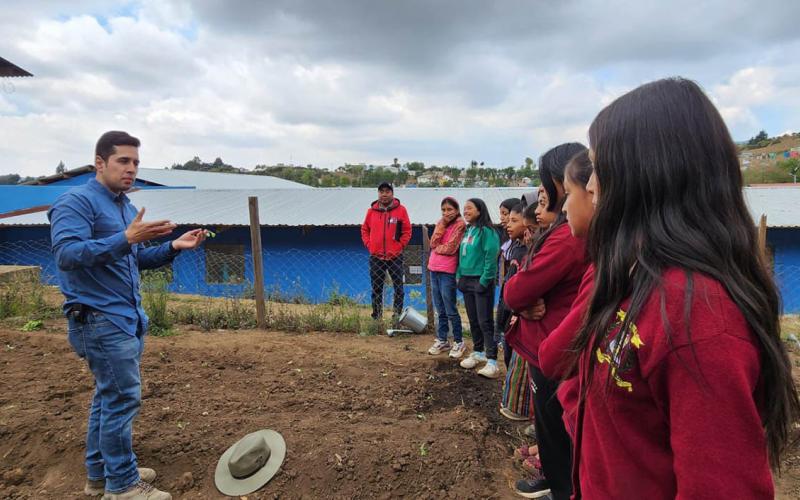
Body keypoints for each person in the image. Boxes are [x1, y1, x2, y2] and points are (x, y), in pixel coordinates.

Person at [570, 77, 800, 499]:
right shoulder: (639, 277)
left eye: (599, 167)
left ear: (647, 173)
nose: (589, 186)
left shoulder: (698, 317)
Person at [48, 131, 207, 500]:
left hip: (125, 318)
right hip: (99, 318)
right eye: (123, 160)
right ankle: (122, 485)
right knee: (122, 399)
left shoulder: (124, 206)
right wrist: (126, 239)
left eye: (135, 162)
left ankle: (100, 475)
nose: (131, 168)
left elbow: (133, 259)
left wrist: (173, 246)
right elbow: (67, 255)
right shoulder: (76, 202)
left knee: (109, 397)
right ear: (99, 163)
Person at [504, 142, 589, 500]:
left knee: (557, 426)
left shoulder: (567, 238)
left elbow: (515, 291)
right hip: (554, 343)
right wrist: (524, 301)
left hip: (553, 346)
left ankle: (560, 487)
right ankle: (556, 481)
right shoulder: (565, 232)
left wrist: (520, 298)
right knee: (554, 424)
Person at [456, 198, 501, 378]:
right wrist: (459, 276)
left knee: (485, 321)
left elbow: (491, 255)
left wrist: (485, 280)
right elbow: (462, 255)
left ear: (479, 210)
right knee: (473, 320)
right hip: (466, 280)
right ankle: (478, 352)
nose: (465, 211)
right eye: (464, 208)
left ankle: (492, 360)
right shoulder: (468, 230)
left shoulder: (487, 231)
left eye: (469, 208)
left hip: (481, 280)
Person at [360, 182, 411, 321]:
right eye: (381, 191)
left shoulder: (401, 210)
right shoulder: (371, 211)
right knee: (376, 288)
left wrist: (400, 246)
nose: (384, 194)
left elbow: (407, 231)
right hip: (376, 257)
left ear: (392, 193)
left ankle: (396, 317)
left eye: (387, 191)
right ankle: (377, 318)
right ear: (378, 193)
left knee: (399, 288)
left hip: (395, 256)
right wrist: (370, 245)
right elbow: (364, 230)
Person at [427, 197, 467, 358]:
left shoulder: (460, 225)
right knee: (440, 308)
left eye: (449, 209)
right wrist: (442, 225)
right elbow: (432, 243)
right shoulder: (441, 223)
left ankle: (459, 341)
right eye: (443, 210)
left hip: (447, 271)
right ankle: (442, 340)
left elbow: (451, 248)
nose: (446, 213)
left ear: (457, 210)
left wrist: (437, 248)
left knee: (450, 308)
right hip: (433, 268)